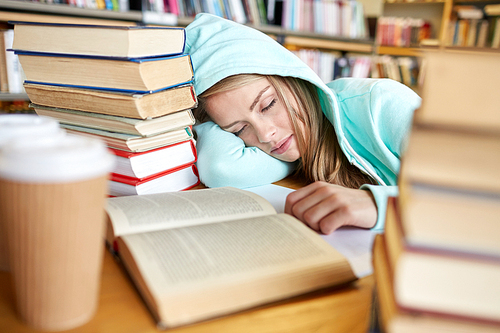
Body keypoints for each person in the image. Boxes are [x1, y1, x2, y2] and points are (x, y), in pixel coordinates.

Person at [184, 13, 421, 234]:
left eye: (268, 105)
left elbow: (458, 200)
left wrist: (380, 205)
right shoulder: (294, 148)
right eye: (239, 129)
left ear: (293, 77)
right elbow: (220, 167)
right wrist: (193, 120)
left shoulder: (381, 102)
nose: (266, 135)